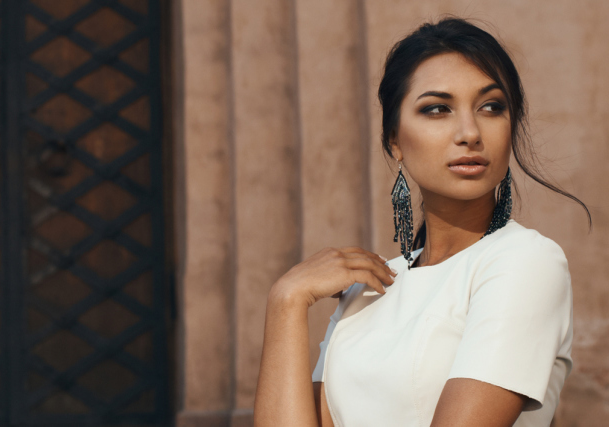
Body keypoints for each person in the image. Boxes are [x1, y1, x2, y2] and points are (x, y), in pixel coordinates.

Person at [252, 17, 590, 427]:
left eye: (491, 107)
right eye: (437, 109)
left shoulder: (526, 262)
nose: (469, 132)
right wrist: (286, 301)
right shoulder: (369, 288)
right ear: (395, 139)